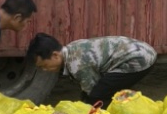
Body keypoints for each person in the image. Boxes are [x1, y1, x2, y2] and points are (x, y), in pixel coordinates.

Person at [26, 32, 157, 108]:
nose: (45, 70)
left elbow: (92, 90)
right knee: (100, 91)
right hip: (141, 50)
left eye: (44, 65)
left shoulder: (77, 65)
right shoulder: (71, 49)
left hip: (139, 59)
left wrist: (85, 109)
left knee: (98, 95)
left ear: (55, 55)